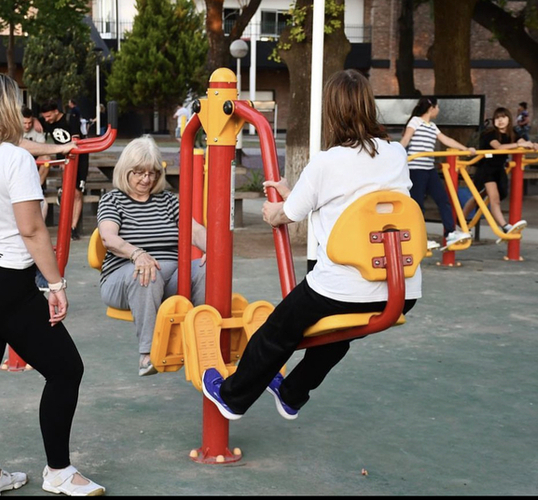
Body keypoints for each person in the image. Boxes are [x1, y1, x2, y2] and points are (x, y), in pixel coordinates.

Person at [200, 69, 422, 421]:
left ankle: (232, 397)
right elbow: (358, 200)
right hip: (402, 289)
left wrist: (276, 207)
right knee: (335, 334)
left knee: (276, 332)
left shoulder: (326, 161)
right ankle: (292, 392)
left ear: (331, 112)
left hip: (344, 288)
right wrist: (300, 197)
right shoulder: (395, 154)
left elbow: (282, 215)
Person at [0, 73, 105, 497]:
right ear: (11, 109)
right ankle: (59, 472)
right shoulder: (15, 160)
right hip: (1, 281)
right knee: (67, 370)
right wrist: (55, 284)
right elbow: (32, 231)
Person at [96, 135, 208, 377]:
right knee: (148, 272)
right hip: (124, 277)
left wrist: (212, 249)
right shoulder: (112, 200)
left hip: (170, 278)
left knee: (208, 269)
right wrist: (137, 254)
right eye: (138, 173)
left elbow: (195, 230)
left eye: (152, 173)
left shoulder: (167, 201)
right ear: (126, 170)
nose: (146, 179)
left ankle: (200, 339)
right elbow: (108, 237)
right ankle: (148, 354)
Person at [399, 96, 475, 250]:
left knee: (443, 199)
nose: (438, 110)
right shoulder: (415, 121)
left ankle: (450, 233)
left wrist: (465, 149)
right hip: (416, 169)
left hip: (429, 169)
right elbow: (406, 139)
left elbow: (446, 140)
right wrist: (395, 153)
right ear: (431, 107)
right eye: (437, 107)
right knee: (418, 204)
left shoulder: (432, 126)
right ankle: (420, 238)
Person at [462, 106, 538, 240]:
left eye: (503, 117)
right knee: (494, 199)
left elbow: (522, 141)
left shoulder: (513, 133)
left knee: (477, 198)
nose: (500, 121)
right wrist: (519, 145)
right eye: (497, 118)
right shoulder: (489, 133)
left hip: (499, 170)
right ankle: (505, 226)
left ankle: (460, 222)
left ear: (509, 119)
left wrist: (532, 145)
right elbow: (498, 147)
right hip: (486, 169)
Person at [39, 100, 88, 240]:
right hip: (64, 159)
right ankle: (66, 226)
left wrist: (67, 158)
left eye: (49, 116)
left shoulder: (70, 119)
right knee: (69, 192)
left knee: (77, 193)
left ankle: (73, 227)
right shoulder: (47, 123)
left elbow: (75, 141)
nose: (47, 119)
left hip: (80, 157)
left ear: (56, 111)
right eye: (45, 117)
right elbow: (34, 121)